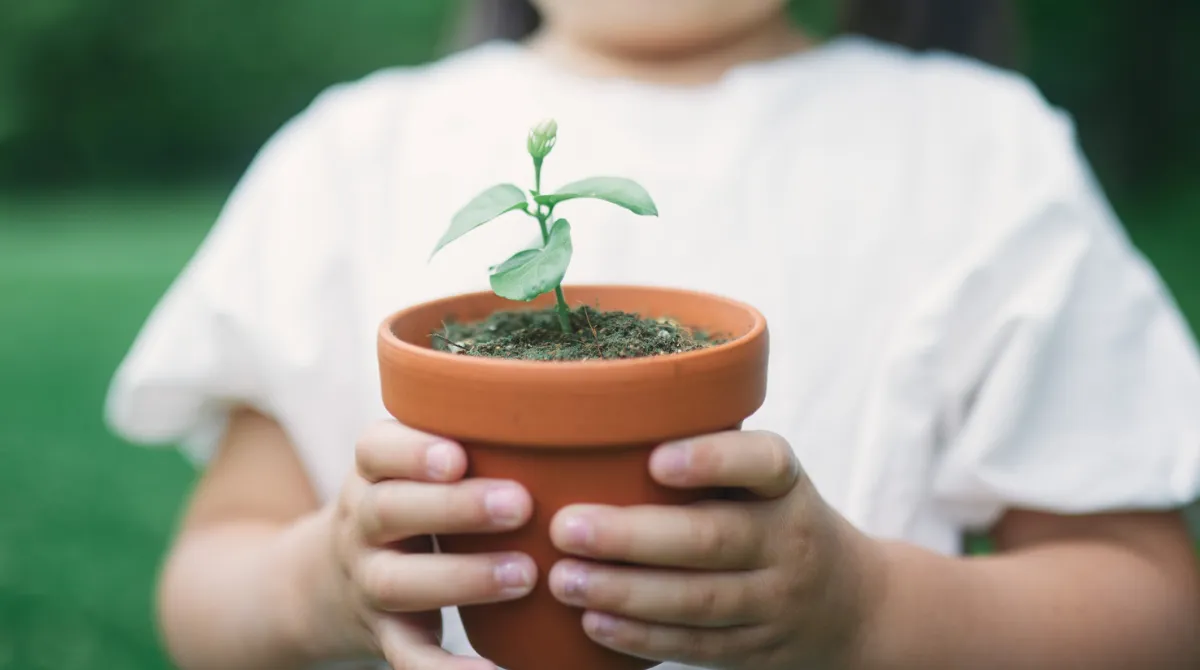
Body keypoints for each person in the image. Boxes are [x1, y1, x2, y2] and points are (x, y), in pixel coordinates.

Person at [105, 1, 1200, 669]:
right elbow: (206, 585)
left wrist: (865, 613)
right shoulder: (348, 156)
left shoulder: (979, 151)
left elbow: (1153, 614)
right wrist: (317, 584)